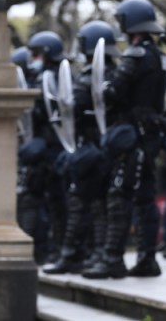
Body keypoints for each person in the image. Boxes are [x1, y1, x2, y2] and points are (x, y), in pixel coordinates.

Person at [83, 0, 166, 279]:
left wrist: (104, 87)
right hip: (150, 136)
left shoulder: (135, 56)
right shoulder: (158, 55)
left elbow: (114, 92)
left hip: (133, 139)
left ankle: (113, 260)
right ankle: (147, 259)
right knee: (144, 198)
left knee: (120, 197)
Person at [43, 21, 119, 274]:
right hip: (101, 148)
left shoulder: (90, 78)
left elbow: (72, 109)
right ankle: (93, 254)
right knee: (98, 206)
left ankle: (73, 255)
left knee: (83, 205)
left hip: (91, 149)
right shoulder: (111, 74)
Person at [17, 30, 67, 264]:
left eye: (37, 54)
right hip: (42, 152)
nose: (33, 59)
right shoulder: (39, 79)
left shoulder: (57, 78)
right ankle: (44, 251)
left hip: (56, 149)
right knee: (35, 201)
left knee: (60, 203)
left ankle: (59, 249)